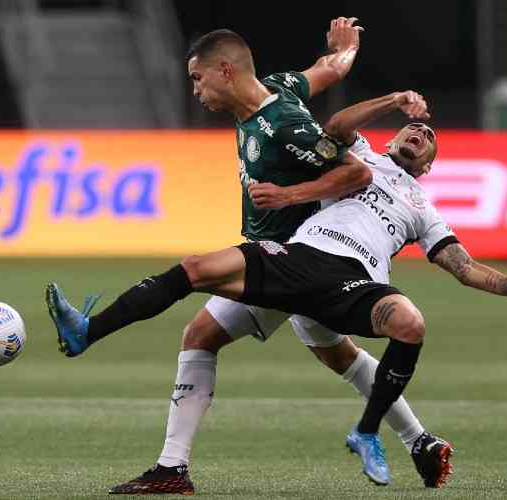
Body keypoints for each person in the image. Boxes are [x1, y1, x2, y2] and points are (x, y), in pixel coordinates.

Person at [46, 89, 507, 491]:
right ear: (395, 137)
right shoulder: (360, 155)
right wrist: (394, 100)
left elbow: (467, 269)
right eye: (413, 130)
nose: (420, 135)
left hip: (348, 282)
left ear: (430, 166)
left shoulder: (423, 209)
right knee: (201, 325)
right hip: (297, 257)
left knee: (357, 353)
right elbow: (338, 124)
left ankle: (405, 438)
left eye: (428, 142)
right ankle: (165, 457)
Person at [48, 21, 442, 494]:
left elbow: (356, 173)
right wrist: (346, 50)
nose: (194, 89)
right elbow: (324, 71)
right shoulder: (277, 89)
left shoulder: (286, 126)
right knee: (341, 358)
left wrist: (289, 193)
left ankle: (156, 442)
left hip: (294, 261)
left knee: (200, 318)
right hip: (300, 262)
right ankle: (420, 442)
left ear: (225, 71)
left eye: (198, 78)